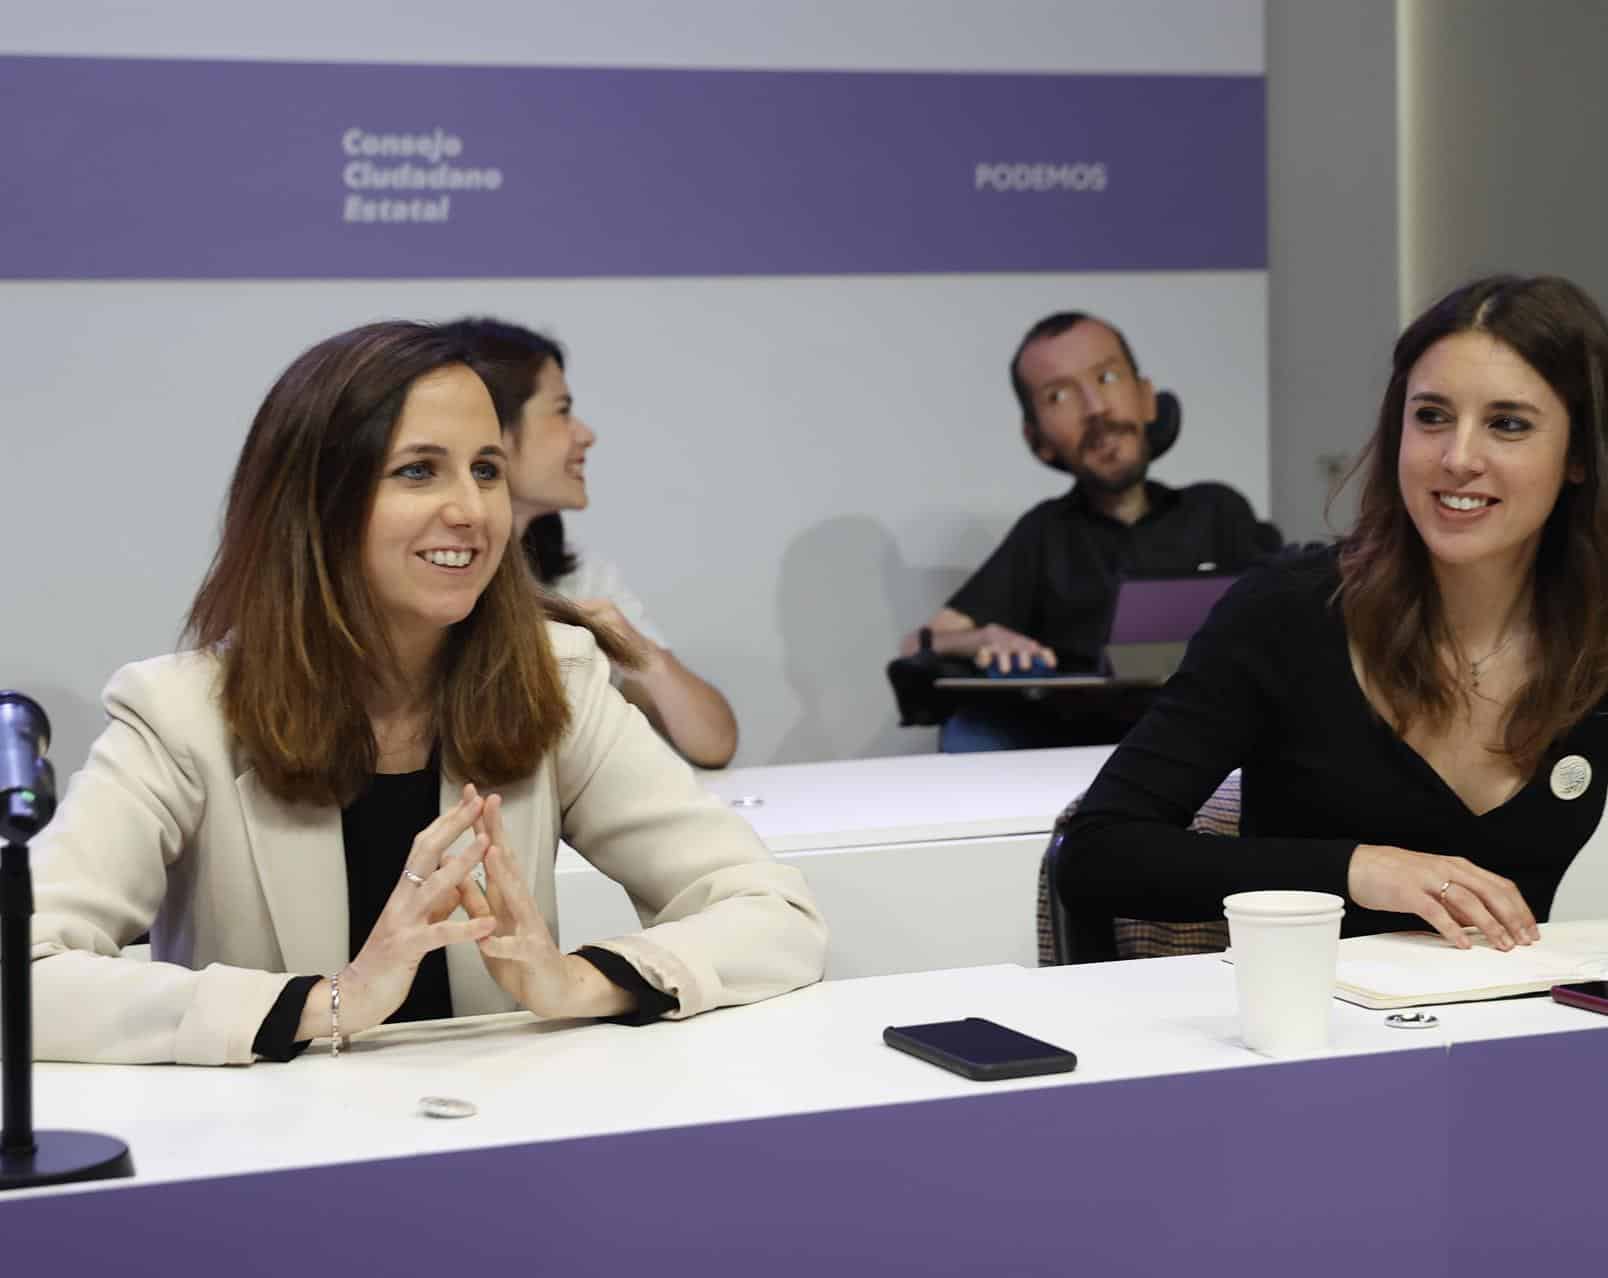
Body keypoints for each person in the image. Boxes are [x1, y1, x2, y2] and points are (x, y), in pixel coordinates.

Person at [29, 322, 826, 1065]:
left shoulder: (557, 677)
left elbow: (772, 914)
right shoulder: (179, 713)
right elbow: (21, 973)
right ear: (316, 506)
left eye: (486, 470)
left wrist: (576, 982)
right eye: (418, 471)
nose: (471, 510)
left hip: (507, 1141)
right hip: (265, 1167)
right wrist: (330, 1003)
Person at [1058, 276, 1608, 979]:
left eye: (1507, 424)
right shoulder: (1287, 610)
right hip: (1308, 1044)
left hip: (1511, 1042)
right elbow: (1099, 852)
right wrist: (1359, 870)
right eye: (1431, 417)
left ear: (1578, 457)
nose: (1458, 457)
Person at [904, 311, 1282, 751]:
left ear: (1145, 397)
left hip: (1201, 742)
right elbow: (919, 641)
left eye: (1106, 377)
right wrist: (983, 638)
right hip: (1072, 746)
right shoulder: (1045, 533)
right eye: (1059, 396)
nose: (1096, 409)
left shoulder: (1217, 511)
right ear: (1037, 438)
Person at [443, 317, 739, 768]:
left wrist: (640, 653)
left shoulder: (580, 580)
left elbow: (714, 744)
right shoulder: (435, 578)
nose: (585, 434)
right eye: (561, 410)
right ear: (491, 432)